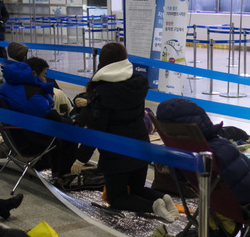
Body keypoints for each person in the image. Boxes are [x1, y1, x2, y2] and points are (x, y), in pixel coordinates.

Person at [74, 42, 178, 220]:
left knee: (117, 198)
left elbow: (97, 128)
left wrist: (81, 158)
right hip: (141, 147)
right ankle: (163, 199)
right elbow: (124, 107)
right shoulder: (138, 83)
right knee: (137, 188)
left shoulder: (102, 90)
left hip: (117, 153)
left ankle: (153, 206)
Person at [0, 55, 78, 179]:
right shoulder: (31, 94)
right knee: (69, 130)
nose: (45, 79)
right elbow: (53, 117)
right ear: (34, 73)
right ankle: (63, 176)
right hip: (27, 139)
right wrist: (69, 120)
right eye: (44, 75)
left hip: (13, 134)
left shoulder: (8, 85)